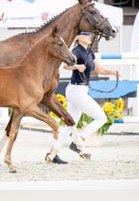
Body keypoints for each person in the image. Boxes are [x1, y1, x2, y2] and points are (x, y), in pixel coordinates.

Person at [45, 31, 121, 164]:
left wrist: (113, 72)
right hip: (76, 91)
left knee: (70, 124)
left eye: (91, 36)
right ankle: (78, 142)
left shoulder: (90, 52)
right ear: (79, 38)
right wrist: (76, 66)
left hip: (80, 90)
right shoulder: (77, 51)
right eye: (87, 35)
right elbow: (65, 65)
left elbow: (99, 70)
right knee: (101, 118)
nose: (90, 37)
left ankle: (51, 154)